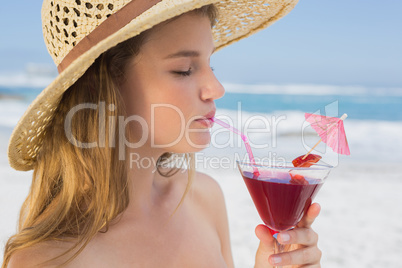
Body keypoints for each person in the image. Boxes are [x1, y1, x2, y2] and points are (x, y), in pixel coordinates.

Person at [3, 0, 323, 267]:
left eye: (212, 65)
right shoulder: (46, 260)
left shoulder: (205, 198)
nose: (217, 88)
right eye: (184, 69)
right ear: (99, 88)